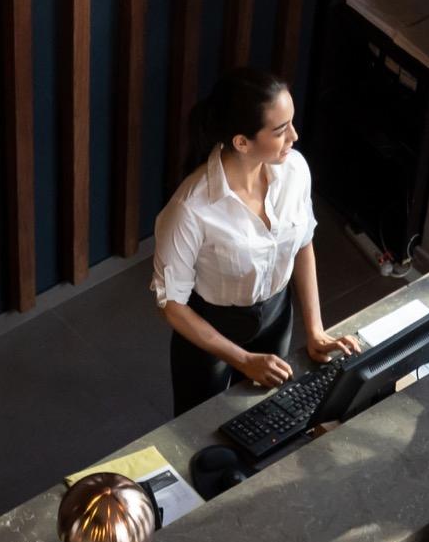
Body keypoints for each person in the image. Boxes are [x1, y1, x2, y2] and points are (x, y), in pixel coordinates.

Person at [151, 67, 358, 415]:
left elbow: (302, 244)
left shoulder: (295, 170)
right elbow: (172, 304)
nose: (294, 136)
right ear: (242, 142)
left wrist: (315, 330)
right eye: (280, 130)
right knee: (197, 428)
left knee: (263, 416)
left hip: (277, 315)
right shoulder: (190, 209)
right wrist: (244, 360)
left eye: (291, 122)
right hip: (212, 327)